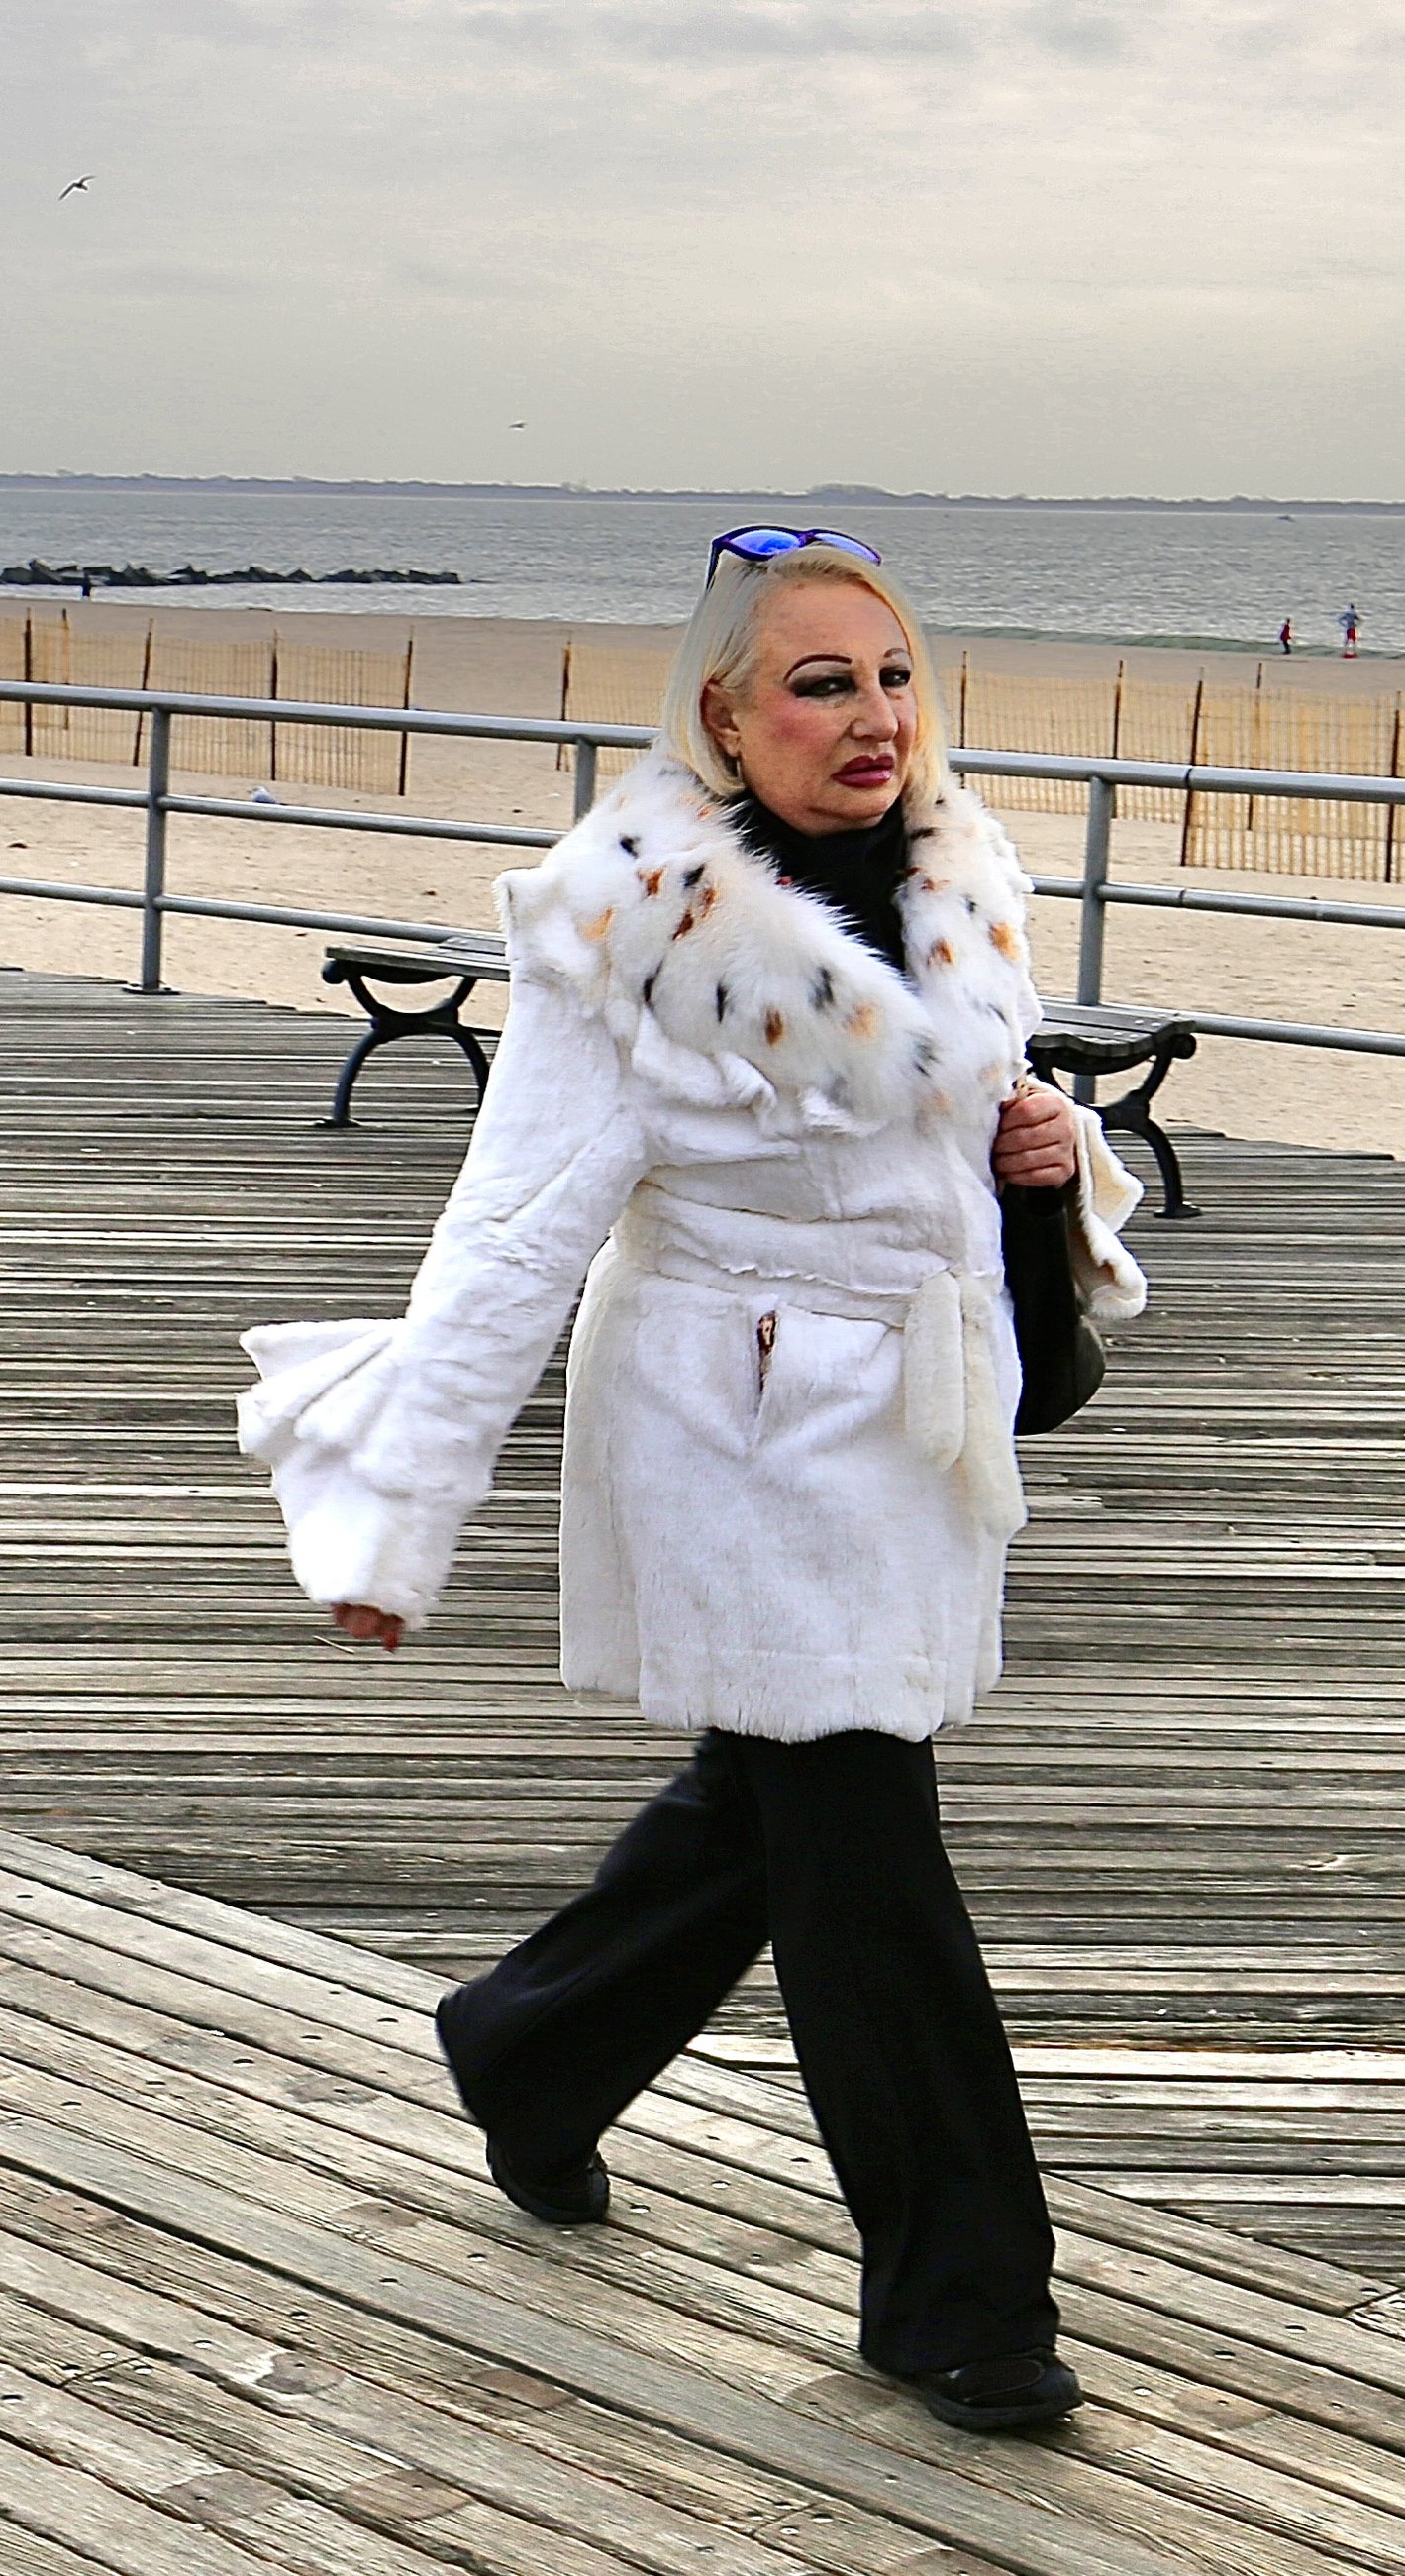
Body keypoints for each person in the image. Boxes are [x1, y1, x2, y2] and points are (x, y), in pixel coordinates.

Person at [238, 527, 1146, 2435]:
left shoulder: (966, 870)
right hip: (735, 1423)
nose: (874, 717)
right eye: (821, 683)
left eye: (893, 675)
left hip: (907, 1413)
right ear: (724, 714)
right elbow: (510, 1234)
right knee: (862, 1836)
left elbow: (954, 1126)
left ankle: (530, 2052)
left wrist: (1046, 1159)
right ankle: (962, 2296)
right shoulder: (624, 927)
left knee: (778, 1794)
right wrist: (401, 1510)